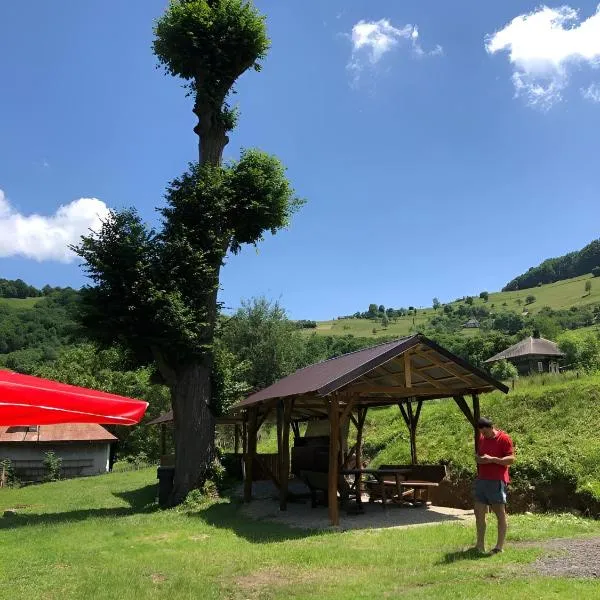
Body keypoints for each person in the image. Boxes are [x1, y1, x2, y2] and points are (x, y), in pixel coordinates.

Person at [473, 416, 515, 554]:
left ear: (491, 428)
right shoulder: (482, 438)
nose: (483, 435)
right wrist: (480, 459)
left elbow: (511, 459)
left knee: (500, 514)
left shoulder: (504, 438)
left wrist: (492, 460)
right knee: (479, 513)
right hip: (482, 480)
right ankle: (479, 545)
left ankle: (499, 547)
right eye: (481, 433)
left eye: (485, 432)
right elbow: (479, 456)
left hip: (496, 481)